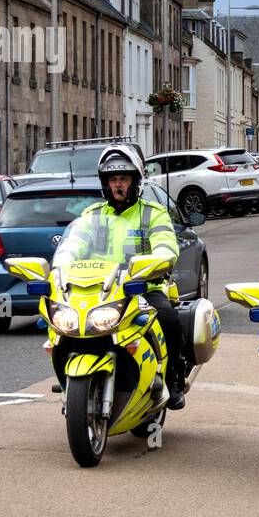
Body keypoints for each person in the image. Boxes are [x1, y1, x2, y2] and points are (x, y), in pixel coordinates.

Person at [56, 146, 188, 410]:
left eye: (124, 179)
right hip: (100, 290)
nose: (118, 185)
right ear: (105, 183)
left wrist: (157, 261)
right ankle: (69, 384)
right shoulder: (92, 215)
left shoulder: (152, 213)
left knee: (168, 318)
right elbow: (73, 245)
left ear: (135, 182)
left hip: (142, 288)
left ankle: (174, 377)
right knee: (59, 326)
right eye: (113, 180)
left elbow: (166, 246)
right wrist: (59, 266)